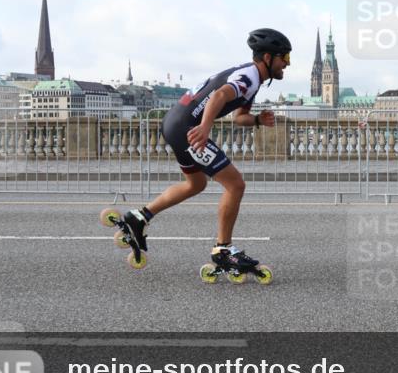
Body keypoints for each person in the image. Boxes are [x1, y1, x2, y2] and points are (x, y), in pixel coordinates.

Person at [114, 28, 291, 282]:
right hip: (186, 128)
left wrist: (256, 120)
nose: (286, 64)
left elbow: (238, 116)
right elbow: (219, 96)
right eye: (284, 58)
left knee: (195, 184)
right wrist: (205, 127)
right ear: (267, 57)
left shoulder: (252, 79)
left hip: (176, 123)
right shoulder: (250, 76)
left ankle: (139, 217)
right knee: (236, 184)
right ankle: (224, 250)